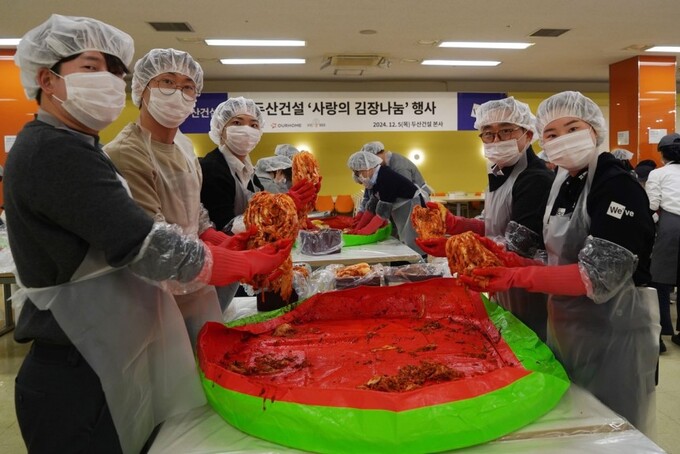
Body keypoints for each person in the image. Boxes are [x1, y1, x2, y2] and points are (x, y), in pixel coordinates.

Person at [7, 15, 291, 453]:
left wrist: (222, 243)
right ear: (47, 78)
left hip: (102, 347)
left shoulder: (81, 146)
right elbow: (145, 243)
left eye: (115, 70)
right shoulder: (54, 150)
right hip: (73, 359)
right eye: (91, 66)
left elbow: (186, 221)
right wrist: (242, 262)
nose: (108, 79)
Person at [462, 91, 658, 434]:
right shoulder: (563, 183)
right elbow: (551, 257)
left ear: (594, 129)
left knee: (615, 430)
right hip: (568, 327)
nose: (562, 139)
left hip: (614, 332)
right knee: (571, 427)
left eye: (572, 128)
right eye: (551, 134)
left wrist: (516, 278)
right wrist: (509, 262)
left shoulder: (615, 185)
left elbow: (596, 276)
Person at [105, 48, 239, 346]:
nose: (178, 92)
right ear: (142, 90)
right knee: (163, 369)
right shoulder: (127, 152)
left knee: (203, 362)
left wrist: (214, 236)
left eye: (188, 86)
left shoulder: (184, 148)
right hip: (147, 294)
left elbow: (193, 210)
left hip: (192, 286)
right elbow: (152, 241)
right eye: (167, 81)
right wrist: (232, 262)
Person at [418, 97, 555, 341]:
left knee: (531, 345)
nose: (496, 140)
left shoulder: (534, 179)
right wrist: (456, 225)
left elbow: (516, 247)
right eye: (488, 134)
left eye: (506, 131)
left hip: (530, 291)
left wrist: (454, 247)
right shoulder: (501, 173)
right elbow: (495, 227)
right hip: (503, 285)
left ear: (527, 133)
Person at [200, 97, 316, 310]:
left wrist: (290, 210)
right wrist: (283, 204)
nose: (247, 130)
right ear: (220, 128)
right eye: (237, 123)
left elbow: (260, 214)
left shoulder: (248, 172)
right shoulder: (212, 168)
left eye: (253, 125)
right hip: (214, 266)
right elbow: (224, 226)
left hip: (237, 265)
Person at [346, 151, 425, 254]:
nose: (358, 176)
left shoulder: (385, 177)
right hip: (402, 206)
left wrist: (365, 231)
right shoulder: (375, 179)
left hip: (412, 205)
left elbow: (382, 214)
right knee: (403, 236)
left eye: (358, 172)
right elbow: (371, 208)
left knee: (412, 238)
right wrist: (357, 229)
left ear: (367, 167)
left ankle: (420, 259)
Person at [645, 133, 680, 348]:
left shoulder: (658, 173)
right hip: (671, 223)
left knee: (659, 279)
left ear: (662, 154)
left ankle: (660, 331)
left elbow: (652, 205)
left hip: (671, 225)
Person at [358, 140, 431, 213]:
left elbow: (403, 192)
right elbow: (371, 194)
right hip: (400, 205)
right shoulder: (378, 169)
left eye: (372, 161)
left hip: (413, 202)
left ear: (382, 153)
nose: (372, 164)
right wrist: (362, 211)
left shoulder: (399, 166)